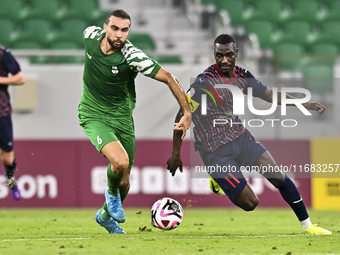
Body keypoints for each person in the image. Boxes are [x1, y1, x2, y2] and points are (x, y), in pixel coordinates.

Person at [166, 34, 332, 235]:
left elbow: (271, 96)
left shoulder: (243, 76)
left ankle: (308, 226)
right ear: (214, 54)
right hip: (215, 151)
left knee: (278, 176)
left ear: (236, 53)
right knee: (251, 203)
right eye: (219, 55)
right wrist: (176, 153)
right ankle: (217, 176)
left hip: (240, 137)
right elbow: (183, 113)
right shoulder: (204, 82)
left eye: (228, 55)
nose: (224, 60)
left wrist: (304, 104)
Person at [78, 9, 191, 234]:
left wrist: (187, 112)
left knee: (126, 181)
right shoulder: (90, 36)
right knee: (119, 163)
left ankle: (104, 216)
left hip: (123, 119)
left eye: (125, 30)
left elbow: (169, 77)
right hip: (93, 114)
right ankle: (110, 194)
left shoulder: (132, 56)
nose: (120, 35)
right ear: (105, 28)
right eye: (115, 28)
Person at [0, 45, 25, 201]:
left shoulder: (2, 53)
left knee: (8, 156)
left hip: (2, 112)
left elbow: (20, 78)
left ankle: (10, 179)